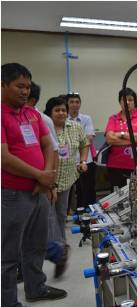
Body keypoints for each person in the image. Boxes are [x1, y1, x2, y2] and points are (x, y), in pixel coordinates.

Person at [1, 63, 67, 306]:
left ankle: (35, 287)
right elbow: (4, 158)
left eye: (28, 87)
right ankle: (8, 300)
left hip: (39, 191)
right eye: (19, 86)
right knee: (9, 254)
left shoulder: (33, 115)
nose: (25, 91)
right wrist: (40, 176)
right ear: (3, 85)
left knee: (36, 245)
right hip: (12, 194)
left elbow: (48, 146)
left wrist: (47, 178)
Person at [44, 97, 89, 256]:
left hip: (67, 179)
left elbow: (85, 144)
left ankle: (60, 248)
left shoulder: (75, 127)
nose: (61, 113)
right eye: (57, 110)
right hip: (47, 180)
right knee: (48, 218)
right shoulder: (43, 127)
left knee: (61, 215)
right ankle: (53, 249)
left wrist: (83, 160)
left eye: (63, 110)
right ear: (50, 112)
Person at [105, 88, 137, 190]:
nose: (127, 102)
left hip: (136, 164)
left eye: (130, 100)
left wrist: (120, 134)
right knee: (117, 196)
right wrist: (132, 138)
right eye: (124, 100)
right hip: (115, 164)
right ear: (120, 102)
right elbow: (109, 139)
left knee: (136, 196)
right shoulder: (113, 118)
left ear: (134, 102)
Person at [67, 92, 97, 208]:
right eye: (72, 102)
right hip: (69, 162)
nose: (75, 104)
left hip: (85, 161)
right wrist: (80, 139)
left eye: (77, 102)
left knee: (86, 192)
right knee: (68, 192)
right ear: (67, 104)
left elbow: (89, 138)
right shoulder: (63, 119)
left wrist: (71, 141)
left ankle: (86, 216)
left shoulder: (86, 118)